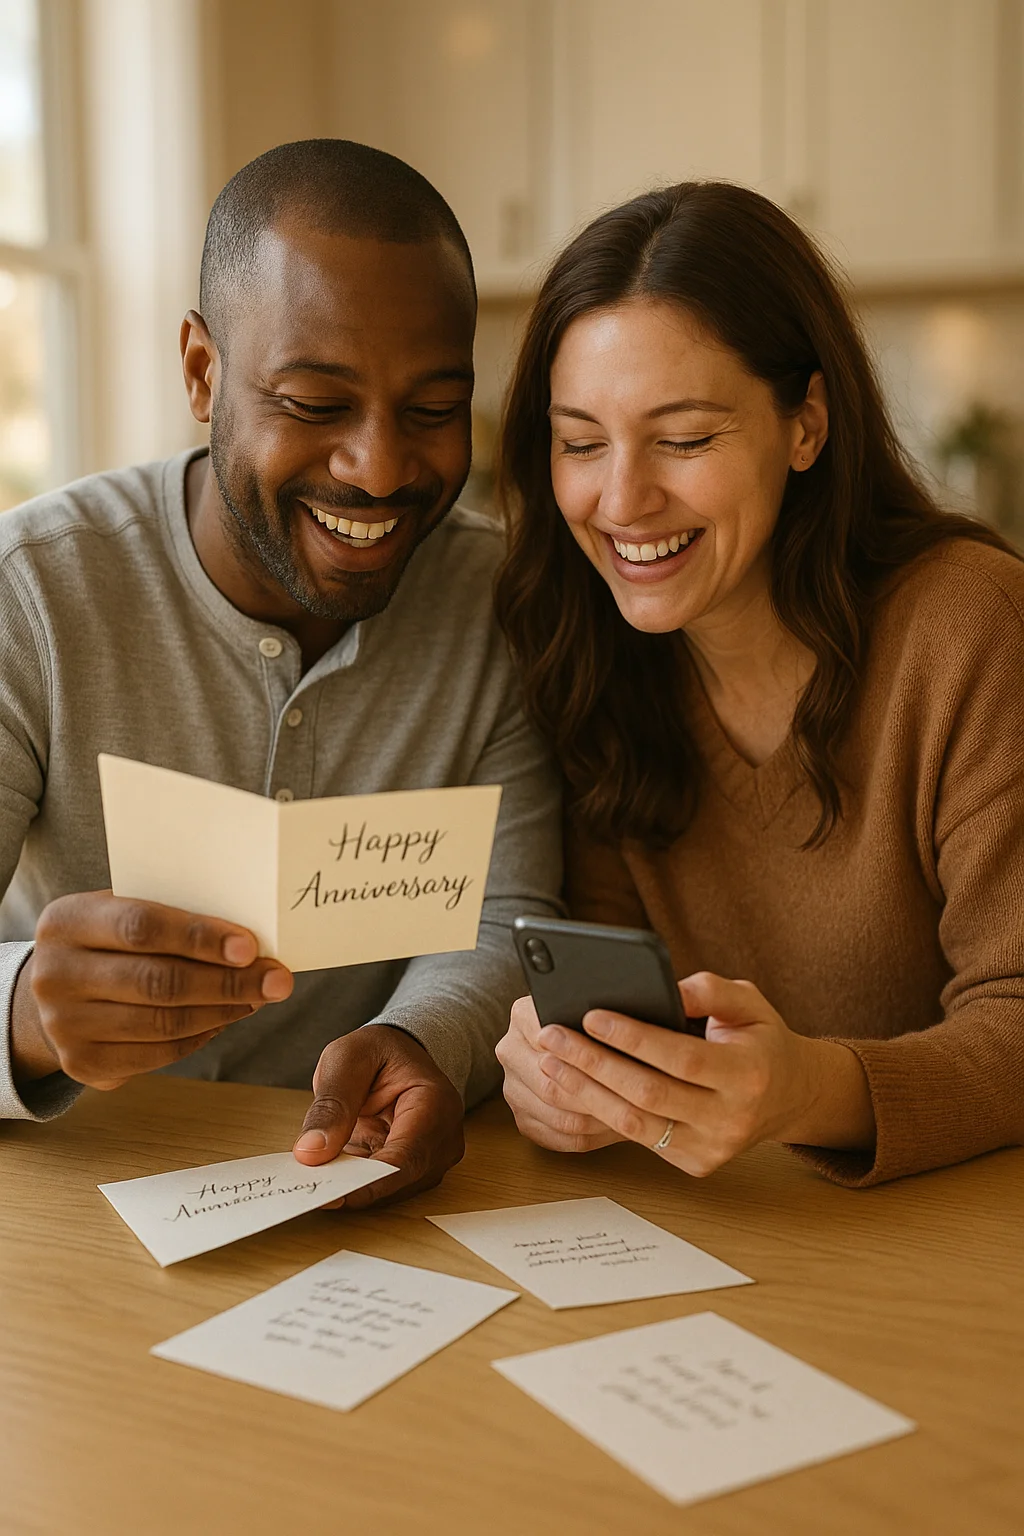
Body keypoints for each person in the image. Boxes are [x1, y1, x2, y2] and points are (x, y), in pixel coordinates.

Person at [0, 139, 562, 1207]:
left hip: (350, 1201)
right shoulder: (30, 593)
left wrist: (421, 1041)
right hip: (60, 1202)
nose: (382, 466)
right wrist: (24, 1010)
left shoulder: (501, 603)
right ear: (202, 372)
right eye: (315, 403)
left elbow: (505, 920)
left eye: (434, 409)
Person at [493, 181, 1024, 1188]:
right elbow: (609, 991)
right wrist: (567, 1078)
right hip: (746, 1252)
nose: (620, 499)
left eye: (684, 439)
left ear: (806, 425)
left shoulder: (972, 630)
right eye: (579, 442)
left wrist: (809, 1092)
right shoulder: (591, 653)